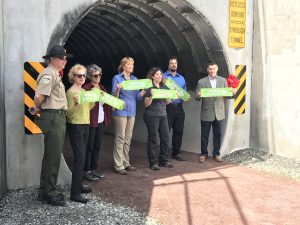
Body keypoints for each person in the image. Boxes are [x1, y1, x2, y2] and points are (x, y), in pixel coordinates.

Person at [33, 44, 72, 206]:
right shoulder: (49, 74)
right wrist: (37, 107)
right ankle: (50, 193)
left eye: (65, 59)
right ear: (54, 59)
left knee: (51, 156)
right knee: (53, 156)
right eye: (63, 59)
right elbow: (39, 96)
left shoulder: (55, 73)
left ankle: (44, 191)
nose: (65, 62)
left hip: (57, 117)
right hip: (53, 117)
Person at [195, 62, 235, 163]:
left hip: (219, 113)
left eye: (214, 69)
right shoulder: (201, 82)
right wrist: (198, 95)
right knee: (204, 135)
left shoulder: (223, 80)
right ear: (207, 70)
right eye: (210, 69)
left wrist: (233, 93)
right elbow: (196, 97)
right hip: (206, 112)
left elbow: (227, 96)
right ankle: (203, 154)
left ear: (217, 69)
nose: (212, 71)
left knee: (218, 134)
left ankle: (216, 154)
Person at [111, 57, 146, 175]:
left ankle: (126, 162)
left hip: (132, 111)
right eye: (129, 64)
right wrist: (118, 89)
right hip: (120, 111)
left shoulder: (134, 79)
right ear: (123, 66)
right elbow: (113, 97)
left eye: (132, 64)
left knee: (128, 138)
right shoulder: (117, 78)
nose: (131, 66)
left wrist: (144, 91)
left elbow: (137, 97)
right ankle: (118, 165)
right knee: (120, 138)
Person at [66, 64, 93, 203]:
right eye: (79, 75)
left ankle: (79, 185)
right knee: (80, 158)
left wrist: (95, 98)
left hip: (85, 124)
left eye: (84, 75)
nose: (82, 77)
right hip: (75, 126)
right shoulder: (71, 93)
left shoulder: (83, 91)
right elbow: (68, 113)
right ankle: (74, 193)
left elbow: (88, 107)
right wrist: (75, 104)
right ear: (73, 77)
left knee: (82, 156)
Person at [83, 64, 111, 181]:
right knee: (88, 146)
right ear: (89, 76)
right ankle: (86, 170)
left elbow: (107, 104)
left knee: (97, 145)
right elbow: (83, 105)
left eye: (100, 75)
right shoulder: (86, 88)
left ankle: (94, 169)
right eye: (95, 75)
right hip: (89, 120)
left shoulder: (103, 88)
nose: (98, 77)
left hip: (100, 120)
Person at [143, 67, 173, 170]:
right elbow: (146, 104)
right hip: (152, 115)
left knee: (165, 138)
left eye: (160, 74)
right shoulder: (149, 88)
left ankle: (164, 160)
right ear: (152, 76)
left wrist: (172, 94)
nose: (159, 76)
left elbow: (168, 102)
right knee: (153, 138)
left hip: (163, 115)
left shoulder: (164, 87)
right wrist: (151, 95)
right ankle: (153, 162)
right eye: (156, 74)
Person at [163, 56, 189, 161]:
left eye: (175, 63)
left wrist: (185, 98)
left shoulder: (181, 78)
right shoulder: (163, 76)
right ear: (168, 65)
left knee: (178, 130)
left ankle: (176, 153)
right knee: (165, 131)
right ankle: (163, 154)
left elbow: (185, 92)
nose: (173, 65)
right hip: (167, 106)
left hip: (179, 106)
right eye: (171, 63)